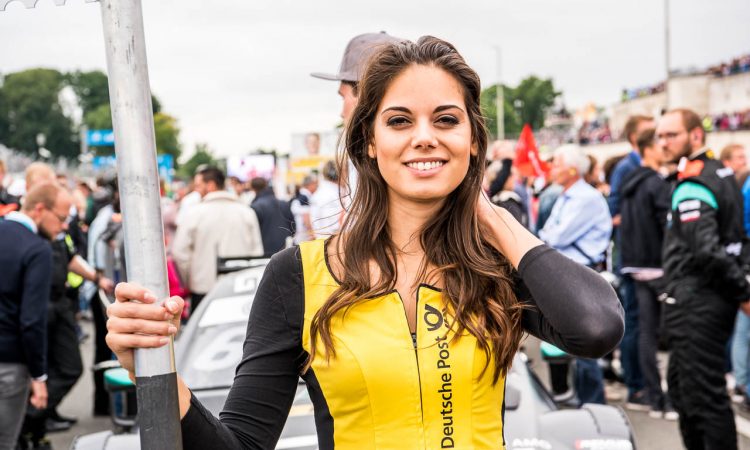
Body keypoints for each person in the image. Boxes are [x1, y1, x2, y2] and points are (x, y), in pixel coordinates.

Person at [106, 36, 624, 450]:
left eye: (447, 120)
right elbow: (240, 445)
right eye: (400, 120)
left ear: (473, 138)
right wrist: (156, 368)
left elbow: (596, 329)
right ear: (370, 142)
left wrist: (484, 208)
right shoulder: (298, 274)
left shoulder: (496, 265)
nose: (425, 136)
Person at [658, 108, 750, 449]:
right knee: (683, 389)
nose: (663, 142)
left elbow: (708, 249)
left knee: (703, 399)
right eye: (660, 136)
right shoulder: (719, 173)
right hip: (700, 298)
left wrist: (742, 291)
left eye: (672, 135)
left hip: (699, 302)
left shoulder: (696, 181)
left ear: (696, 135)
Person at [538, 144, 613, 405]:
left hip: (583, 273)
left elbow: (555, 236)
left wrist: (548, 237)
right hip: (572, 272)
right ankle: (581, 397)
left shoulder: (584, 198)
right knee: (572, 337)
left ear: (572, 168)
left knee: (584, 337)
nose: (552, 169)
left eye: (556, 163)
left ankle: (592, 402)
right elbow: (547, 234)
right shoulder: (568, 195)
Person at [0, 184, 67, 449]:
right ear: (40, 209)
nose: (62, 227)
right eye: (61, 219)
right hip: (9, 364)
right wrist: (39, 376)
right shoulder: (37, 249)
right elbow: (31, 321)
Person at [619, 128, 675, 420]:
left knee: (644, 333)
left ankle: (652, 396)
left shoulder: (630, 180)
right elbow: (669, 229)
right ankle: (662, 399)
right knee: (660, 334)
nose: (665, 147)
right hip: (656, 266)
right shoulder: (654, 183)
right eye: (660, 143)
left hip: (635, 265)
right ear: (648, 149)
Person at [607, 114, 655, 410]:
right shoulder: (627, 167)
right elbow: (614, 211)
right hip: (632, 257)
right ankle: (635, 384)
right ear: (637, 138)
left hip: (644, 257)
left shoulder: (642, 166)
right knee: (634, 321)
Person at [172, 166, 263, 312]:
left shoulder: (194, 214)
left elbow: (180, 252)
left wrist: (191, 279)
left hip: (203, 290)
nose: (196, 190)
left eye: (198, 186)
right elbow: (256, 252)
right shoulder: (246, 212)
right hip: (240, 290)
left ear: (211, 185)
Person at [249, 177, 295, 257]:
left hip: (265, 252)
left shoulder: (255, 206)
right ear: (266, 185)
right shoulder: (283, 203)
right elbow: (293, 226)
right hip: (286, 250)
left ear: (253, 189)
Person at [309, 160, 343, 238]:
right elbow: (337, 225)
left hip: (321, 241)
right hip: (334, 241)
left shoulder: (317, 194)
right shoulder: (336, 193)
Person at [290, 175, 318, 244]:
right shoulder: (304, 197)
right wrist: (313, 234)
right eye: (316, 184)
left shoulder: (300, 196)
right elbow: (306, 219)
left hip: (300, 237)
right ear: (310, 184)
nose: (317, 186)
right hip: (304, 239)